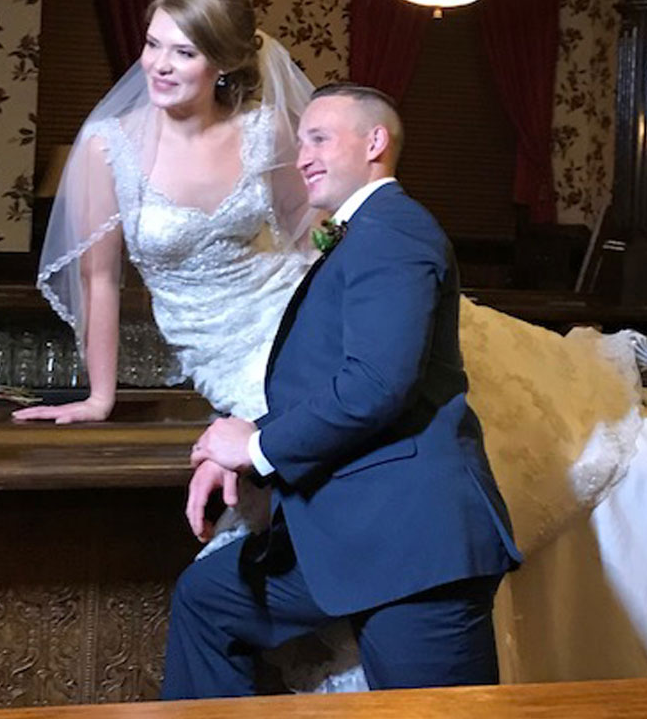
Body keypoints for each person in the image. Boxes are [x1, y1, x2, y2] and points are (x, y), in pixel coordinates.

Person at [162, 83, 522, 698]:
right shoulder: (361, 234)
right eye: (301, 141)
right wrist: (249, 460)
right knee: (207, 599)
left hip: (414, 547)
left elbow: (377, 383)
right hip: (348, 534)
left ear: (376, 142)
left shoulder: (394, 231)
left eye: (321, 138)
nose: (303, 155)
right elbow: (328, 380)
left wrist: (255, 449)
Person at [14, 0, 314, 426]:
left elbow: (314, 236)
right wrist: (100, 399)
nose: (159, 65)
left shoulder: (266, 132)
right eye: (153, 45)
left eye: (184, 52)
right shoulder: (108, 148)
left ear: (224, 63)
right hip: (218, 356)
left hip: (297, 319)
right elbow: (99, 278)